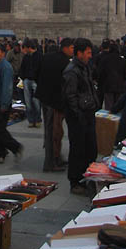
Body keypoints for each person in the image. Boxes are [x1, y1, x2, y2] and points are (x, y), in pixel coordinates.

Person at [62, 38, 99, 196]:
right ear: (80, 53)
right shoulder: (72, 71)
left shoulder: (85, 67)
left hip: (88, 112)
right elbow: (70, 96)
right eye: (88, 53)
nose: (90, 56)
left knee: (90, 148)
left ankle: (86, 176)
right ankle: (75, 181)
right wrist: (78, 114)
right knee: (78, 149)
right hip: (78, 116)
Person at [36, 37, 74, 171]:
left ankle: (56, 158)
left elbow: (37, 73)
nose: (72, 51)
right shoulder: (65, 62)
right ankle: (51, 163)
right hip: (54, 102)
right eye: (71, 48)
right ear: (65, 47)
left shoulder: (48, 56)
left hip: (44, 98)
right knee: (53, 132)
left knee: (52, 130)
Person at [0, 43, 23, 164]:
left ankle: (15, 147)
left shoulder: (5, 67)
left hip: (1, 104)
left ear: (3, 53)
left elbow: (7, 88)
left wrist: (4, 105)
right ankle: (0, 152)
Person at [96, 41, 126, 110]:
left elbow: (100, 73)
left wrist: (100, 83)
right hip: (120, 86)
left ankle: (110, 120)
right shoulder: (123, 61)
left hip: (108, 87)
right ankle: (116, 120)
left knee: (109, 106)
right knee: (118, 107)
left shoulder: (104, 60)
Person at [20, 38, 42, 127]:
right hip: (27, 80)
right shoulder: (26, 57)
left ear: (28, 47)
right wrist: (24, 77)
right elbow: (22, 68)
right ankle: (31, 120)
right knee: (28, 102)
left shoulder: (39, 56)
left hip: (35, 81)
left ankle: (37, 119)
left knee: (36, 101)